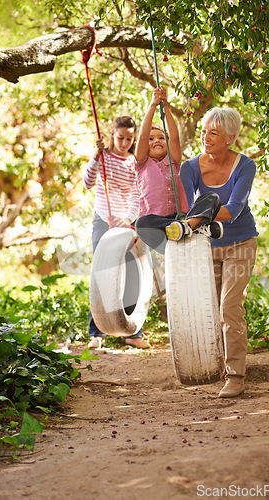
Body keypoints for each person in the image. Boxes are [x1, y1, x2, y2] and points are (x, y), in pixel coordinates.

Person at [179, 107, 259, 398]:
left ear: (231, 138)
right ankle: (215, 365)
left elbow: (235, 209)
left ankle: (235, 376)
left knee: (229, 308)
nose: (206, 137)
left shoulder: (245, 166)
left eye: (213, 132)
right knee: (210, 310)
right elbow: (188, 207)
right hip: (206, 248)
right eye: (204, 131)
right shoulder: (189, 167)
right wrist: (193, 219)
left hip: (241, 244)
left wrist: (200, 217)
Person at [83, 116, 150, 350]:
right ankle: (97, 332)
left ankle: (133, 332)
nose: (125, 143)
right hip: (103, 219)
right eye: (121, 138)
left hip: (125, 222)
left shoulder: (134, 162)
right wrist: (95, 155)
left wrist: (127, 219)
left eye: (129, 139)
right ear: (112, 134)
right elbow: (87, 182)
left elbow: (136, 196)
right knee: (102, 272)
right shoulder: (102, 157)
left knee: (133, 271)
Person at [134, 87, 223, 254]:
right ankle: (200, 228)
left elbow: (174, 136)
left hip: (181, 218)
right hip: (158, 226)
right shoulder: (142, 164)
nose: (156, 141)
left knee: (212, 197)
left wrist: (165, 106)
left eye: (161, 138)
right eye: (151, 139)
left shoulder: (173, 161)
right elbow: (142, 136)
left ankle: (188, 227)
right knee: (141, 224)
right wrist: (153, 105)